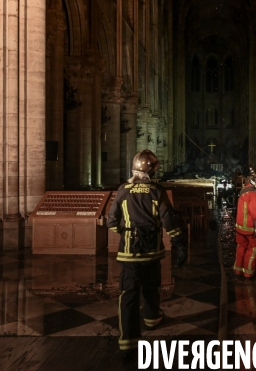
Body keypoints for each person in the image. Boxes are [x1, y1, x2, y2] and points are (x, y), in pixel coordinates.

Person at [107, 149, 187, 360]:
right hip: (152, 250)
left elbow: (111, 221)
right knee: (152, 286)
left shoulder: (123, 190)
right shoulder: (157, 190)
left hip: (129, 252)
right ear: (152, 170)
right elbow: (168, 220)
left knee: (128, 295)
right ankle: (152, 318)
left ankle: (127, 343)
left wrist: (126, 234)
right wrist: (179, 243)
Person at [233, 170, 256, 278]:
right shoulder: (255, 196)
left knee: (241, 247)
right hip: (250, 229)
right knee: (253, 250)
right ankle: (248, 273)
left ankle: (238, 270)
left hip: (239, 227)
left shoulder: (244, 190)